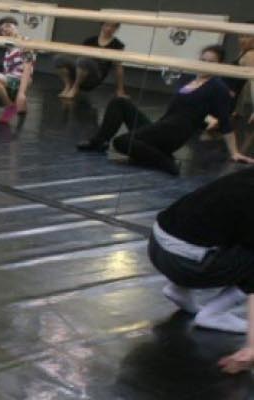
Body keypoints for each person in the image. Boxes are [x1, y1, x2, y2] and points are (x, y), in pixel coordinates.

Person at [75, 46, 253, 175]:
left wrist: (235, 152)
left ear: (219, 65)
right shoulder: (189, 78)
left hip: (174, 134)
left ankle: (165, 161)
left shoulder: (217, 87)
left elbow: (225, 121)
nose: (205, 64)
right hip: (162, 126)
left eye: (211, 62)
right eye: (203, 60)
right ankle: (99, 142)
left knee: (121, 142)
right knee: (119, 102)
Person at [148, 167, 254, 374]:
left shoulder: (247, 176)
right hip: (184, 263)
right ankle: (214, 314)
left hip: (157, 244)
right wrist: (251, 348)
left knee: (219, 228)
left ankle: (179, 289)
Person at [54, 22, 127, 99]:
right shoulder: (90, 40)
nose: (109, 29)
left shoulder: (117, 44)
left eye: (113, 27)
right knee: (59, 58)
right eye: (107, 25)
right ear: (102, 25)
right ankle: (68, 86)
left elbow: (118, 68)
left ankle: (75, 88)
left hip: (96, 76)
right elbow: (79, 61)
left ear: (116, 28)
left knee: (84, 60)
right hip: (81, 72)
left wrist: (120, 90)